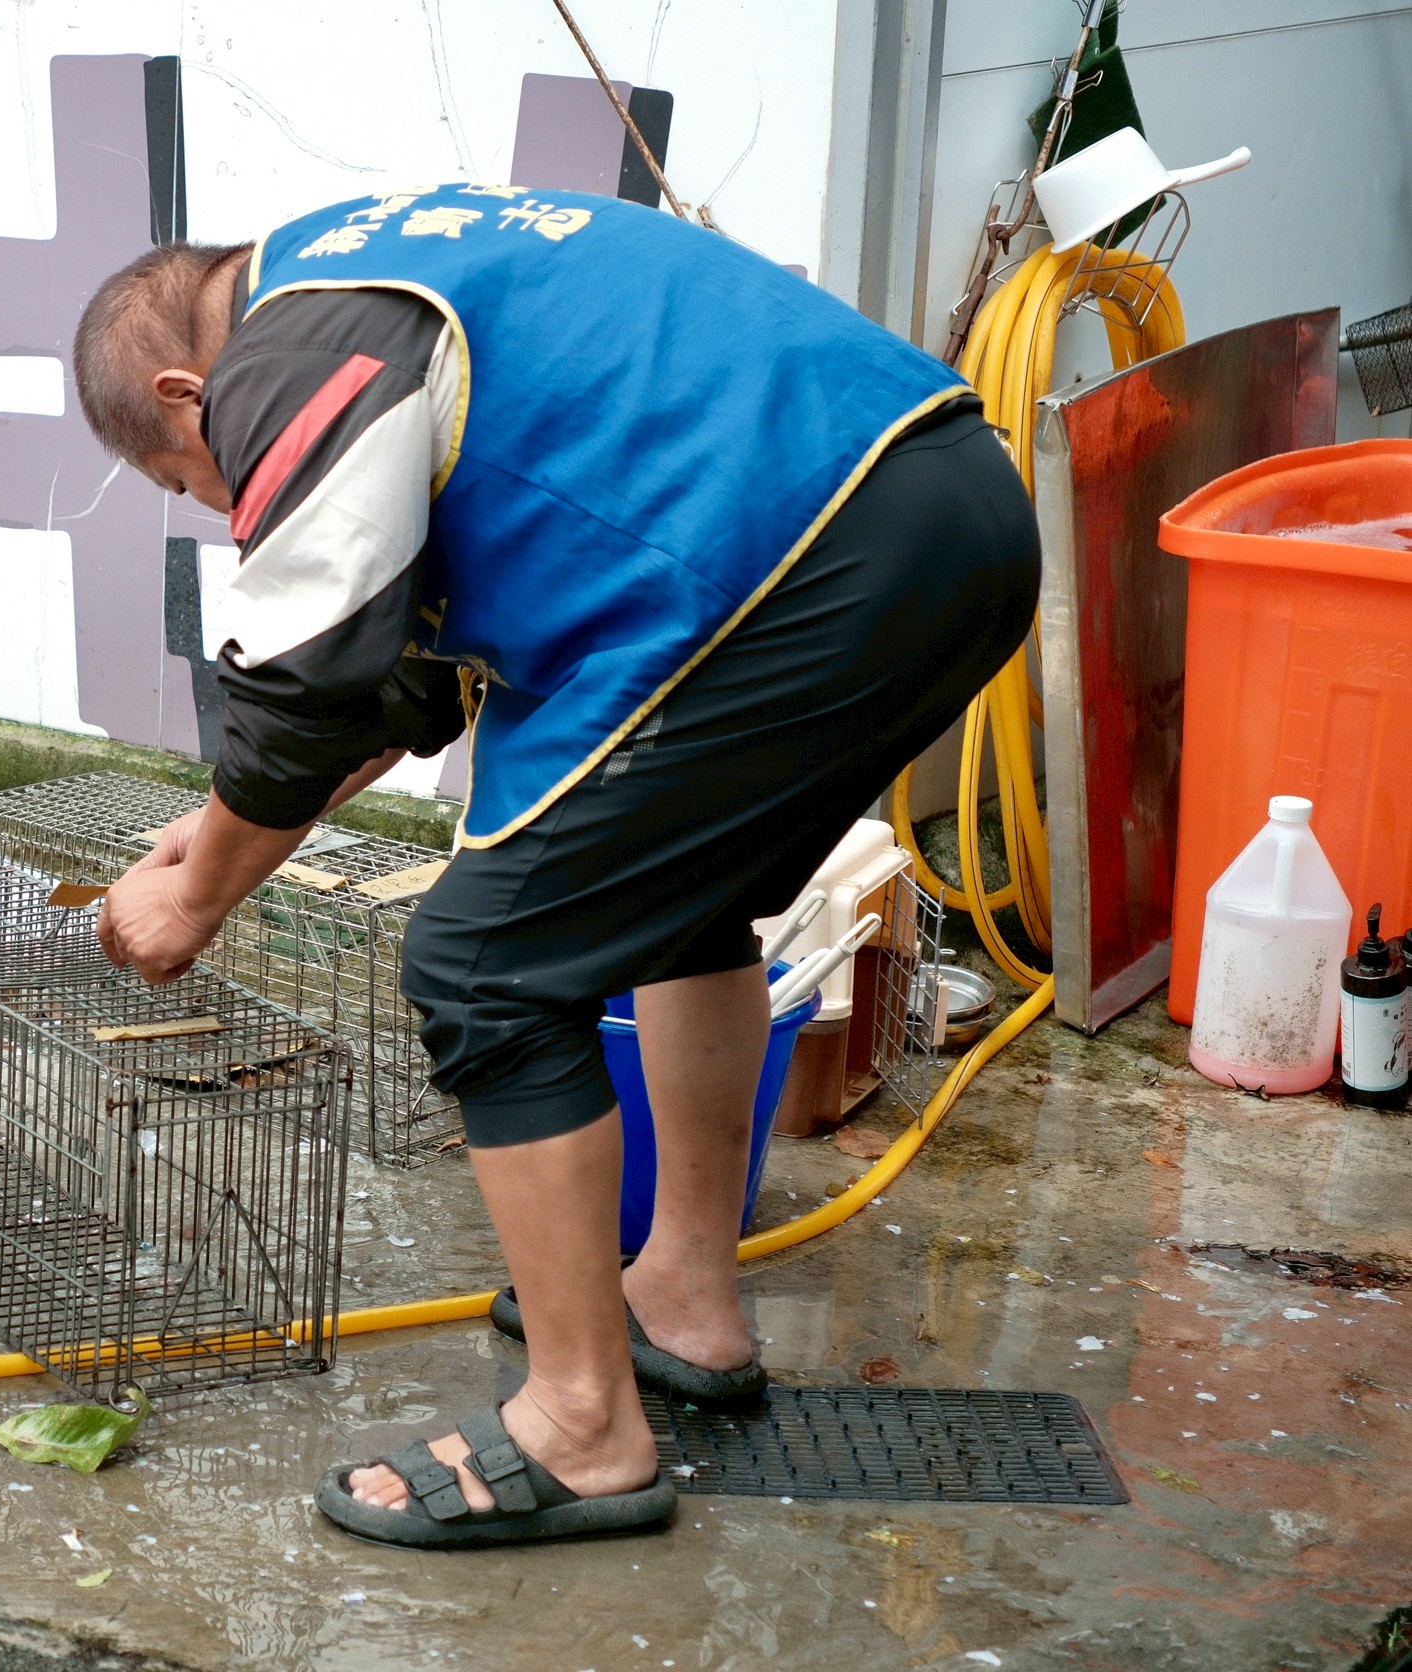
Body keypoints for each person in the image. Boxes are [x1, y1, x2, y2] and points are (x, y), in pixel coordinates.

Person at [72, 185, 1037, 1546]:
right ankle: (683, 1297)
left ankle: (582, 1424)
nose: (225, 503)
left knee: (484, 966)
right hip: (941, 509)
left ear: (189, 396)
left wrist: (191, 896)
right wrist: (224, 830)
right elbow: (385, 686)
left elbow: (307, 672)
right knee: (674, 904)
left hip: (805, 548)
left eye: (194, 481)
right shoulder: (383, 259)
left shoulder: (291, 347)